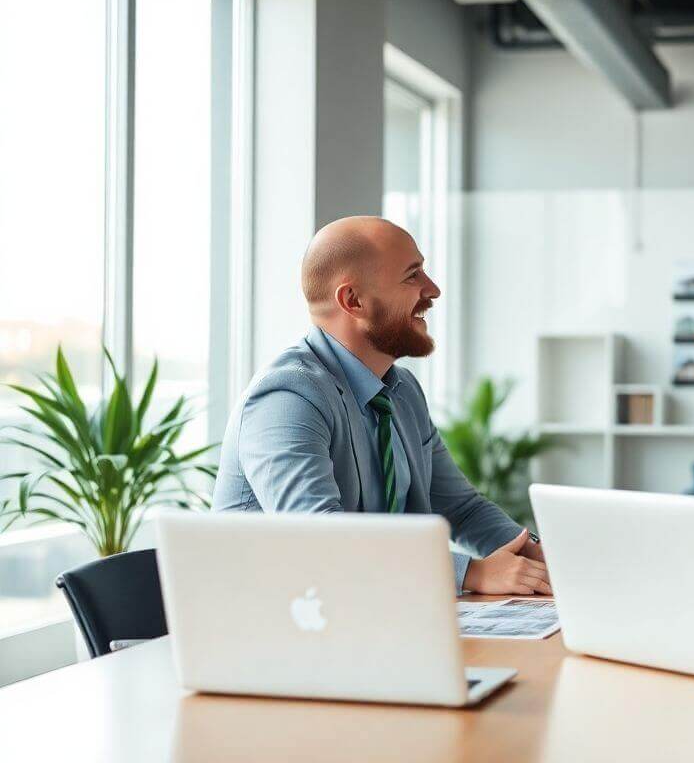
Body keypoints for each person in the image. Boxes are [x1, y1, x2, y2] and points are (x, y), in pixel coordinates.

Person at [213, 216, 549, 596]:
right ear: (353, 301)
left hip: (378, 612)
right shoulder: (288, 397)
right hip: (278, 625)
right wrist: (471, 573)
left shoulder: (401, 391)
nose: (433, 290)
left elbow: (461, 509)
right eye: (412, 276)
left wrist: (537, 559)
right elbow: (316, 539)